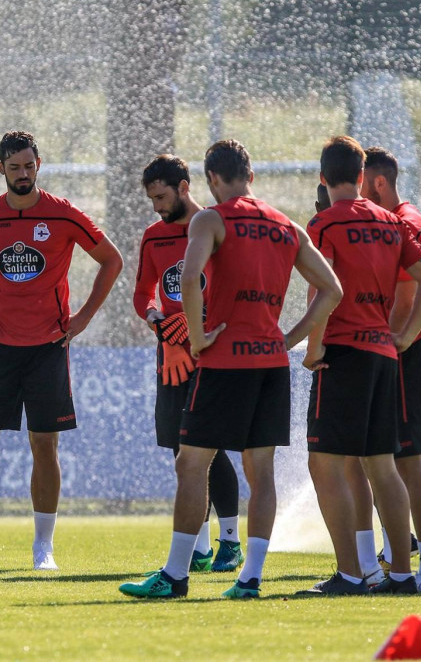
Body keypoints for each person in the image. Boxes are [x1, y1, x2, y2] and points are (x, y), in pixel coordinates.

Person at [119, 139, 342, 600]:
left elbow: (189, 278)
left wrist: (198, 337)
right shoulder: (286, 225)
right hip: (271, 363)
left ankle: (175, 576)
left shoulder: (210, 219)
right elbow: (332, 289)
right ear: (251, 176)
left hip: (224, 361)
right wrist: (289, 339)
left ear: (211, 179)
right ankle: (250, 578)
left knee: (190, 463)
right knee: (261, 473)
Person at [0, 131, 123, 571]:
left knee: (44, 445)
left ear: (39, 165)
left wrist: (84, 317)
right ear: (0, 168)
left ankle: (43, 549)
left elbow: (111, 259)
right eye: (15, 167)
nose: (23, 174)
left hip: (48, 347)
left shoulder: (63, 214)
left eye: (29, 166)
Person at [300, 136, 421, 596]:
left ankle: (350, 574)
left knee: (324, 464)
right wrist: (404, 336)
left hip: (343, 352)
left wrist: (313, 350)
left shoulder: (324, 223)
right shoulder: (391, 221)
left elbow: (323, 292)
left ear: (324, 178)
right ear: (362, 177)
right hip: (384, 355)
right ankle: (400, 574)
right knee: (382, 466)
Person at [131, 154, 242, 573]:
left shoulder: (216, 226)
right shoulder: (152, 237)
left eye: (161, 197)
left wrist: (195, 328)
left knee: (211, 446)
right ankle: (198, 546)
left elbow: (233, 291)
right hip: (171, 352)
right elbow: (143, 294)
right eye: (151, 200)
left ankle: (231, 542)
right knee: (182, 448)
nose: (157, 207)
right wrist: (158, 322)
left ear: (184, 187)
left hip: (212, 350)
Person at [342, 147, 421, 590]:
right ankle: (394, 562)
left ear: (378, 182)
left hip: (404, 354)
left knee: (407, 464)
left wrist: (395, 340)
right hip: (405, 351)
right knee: (385, 462)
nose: (358, 192)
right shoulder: (401, 220)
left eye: (362, 182)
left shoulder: (404, 221)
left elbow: (409, 298)